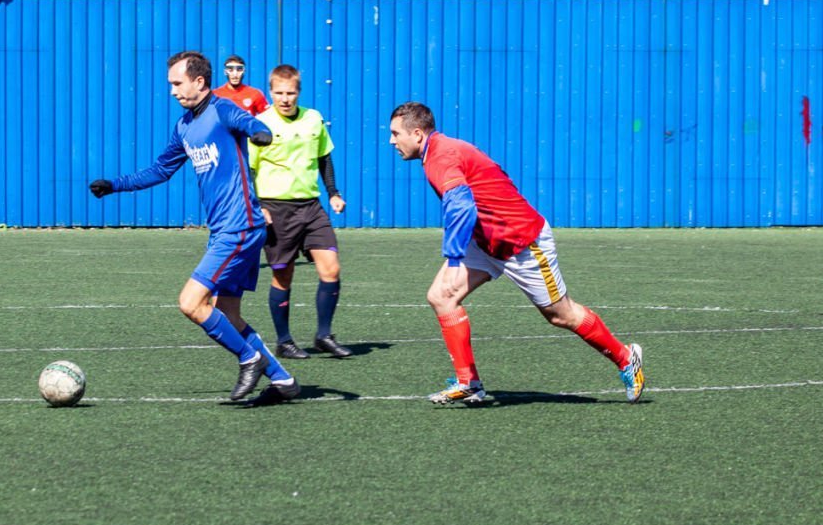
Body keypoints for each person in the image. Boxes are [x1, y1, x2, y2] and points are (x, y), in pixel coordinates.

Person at [387, 102, 645, 405]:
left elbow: (461, 204)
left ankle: (626, 358)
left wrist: (454, 256)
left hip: (522, 242)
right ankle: (468, 382)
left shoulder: (440, 156)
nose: (392, 141)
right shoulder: (441, 150)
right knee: (441, 296)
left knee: (561, 315)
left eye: (395, 133)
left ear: (418, 134)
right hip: (487, 240)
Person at [89, 51, 299, 404]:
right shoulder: (184, 126)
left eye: (177, 83)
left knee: (190, 303)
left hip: (240, 227)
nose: (172, 91)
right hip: (224, 230)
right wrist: (115, 185)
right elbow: (160, 170)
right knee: (228, 313)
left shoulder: (222, 109)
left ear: (199, 81)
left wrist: (261, 133)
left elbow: (251, 124)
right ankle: (283, 380)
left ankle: (250, 358)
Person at [249, 64, 351, 360]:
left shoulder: (313, 118)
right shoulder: (260, 124)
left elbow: (324, 158)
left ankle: (324, 335)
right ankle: (284, 341)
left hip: (311, 207)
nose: (285, 99)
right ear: (271, 92)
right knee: (283, 275)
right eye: (279, 93)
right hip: (276, 208)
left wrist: (333, 193)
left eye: (290, 93)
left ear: (299, 92)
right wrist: (257, 206)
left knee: (331, 269)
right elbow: (249, 169)